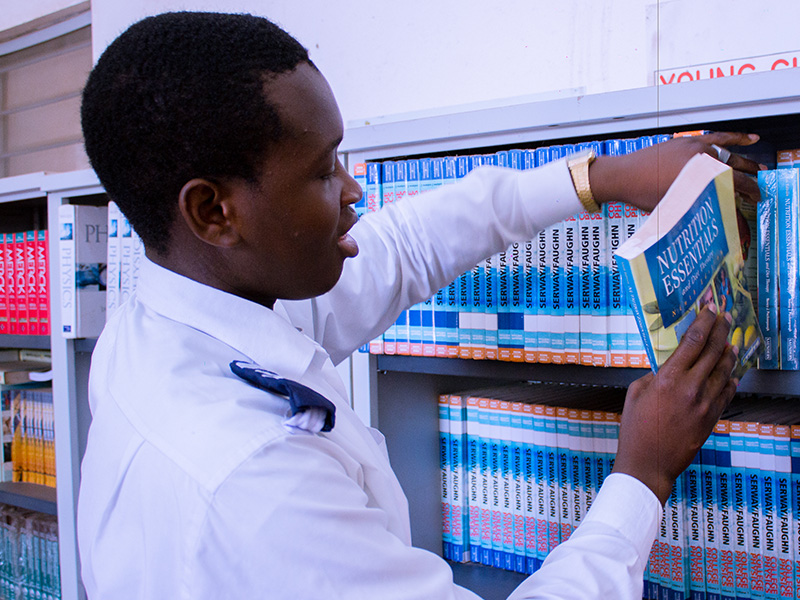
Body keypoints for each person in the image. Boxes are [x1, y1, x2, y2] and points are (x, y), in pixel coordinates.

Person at [76, 11, 761, 600]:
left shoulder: (173, 320)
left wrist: (597, 178)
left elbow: (405, 247)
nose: (353, 191)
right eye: (322, 171)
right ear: (213, 211)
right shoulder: (253, 481)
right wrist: (642, 474)